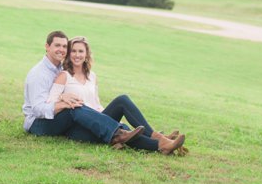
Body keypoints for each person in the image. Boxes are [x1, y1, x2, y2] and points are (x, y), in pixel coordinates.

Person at [48, 36, 186, 155]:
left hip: (97, 120)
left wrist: (107, 120)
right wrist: (62, 97)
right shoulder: (64, 76)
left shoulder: (92, 76)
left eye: (81, 51)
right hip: (79, 128)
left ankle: (159, 140)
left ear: (86, 55)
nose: (77, 55)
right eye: (73, 51)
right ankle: (162, 142)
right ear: (68, 54)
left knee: (122, 104)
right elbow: (50, 103)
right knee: (122, 129)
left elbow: (96, 104)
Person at [23, 30, 146, 148]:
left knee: (120, 109)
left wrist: (63, 99)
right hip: (38, 123)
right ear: (47, 46)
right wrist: (63, 102)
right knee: (74, 106)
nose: (61, 49)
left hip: (66, 121)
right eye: (57, 45)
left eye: (64, 46)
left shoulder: (60, 68)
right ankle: (118, 134)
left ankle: (154, 142)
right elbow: (38, 110)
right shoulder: (39, 74)